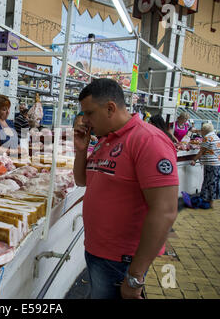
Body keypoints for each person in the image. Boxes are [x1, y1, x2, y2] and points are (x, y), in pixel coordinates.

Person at [73, 79, 179, 299]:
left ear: (110, 108)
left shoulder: (148, 140)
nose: (85, 121)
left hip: (121, 260)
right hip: (97, 250)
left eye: (90, 113)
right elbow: (82, 180)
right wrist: (81, 150)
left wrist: (135, 276)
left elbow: (165, 211)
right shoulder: (106, 138)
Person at [191, 122, 220, 209]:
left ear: (205, 130)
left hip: (210, 164)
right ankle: (210, 201)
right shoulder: (216, 137)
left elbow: (201, 151)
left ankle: (208, 202)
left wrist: (194, 160)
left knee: (208, 182)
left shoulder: (207, 138)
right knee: (213, 182)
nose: (201, 131)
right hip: (217, 163)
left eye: (202, 130)